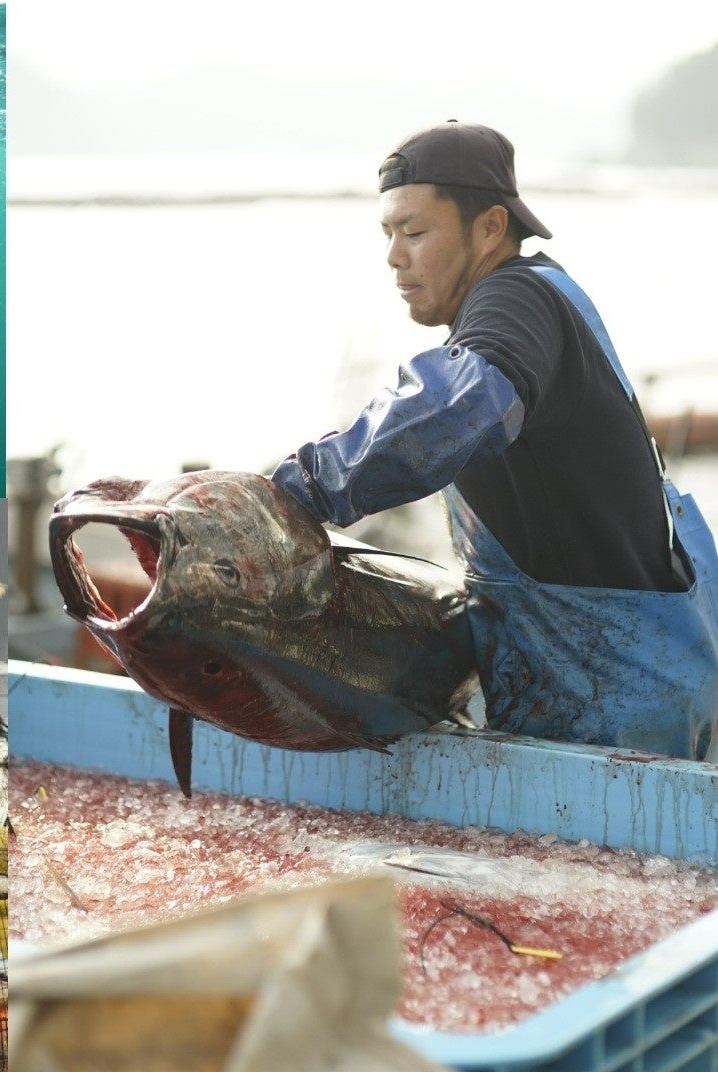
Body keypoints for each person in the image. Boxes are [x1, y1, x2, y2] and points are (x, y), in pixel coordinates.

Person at [269, 120, 718, 759]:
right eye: (389, 233)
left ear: (490, 228)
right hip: (581, 678)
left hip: (613, 700)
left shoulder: (516, 300)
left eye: (416, 232)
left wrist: (299, 490)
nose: (396, 256)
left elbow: (459, 405)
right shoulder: (534, 296)